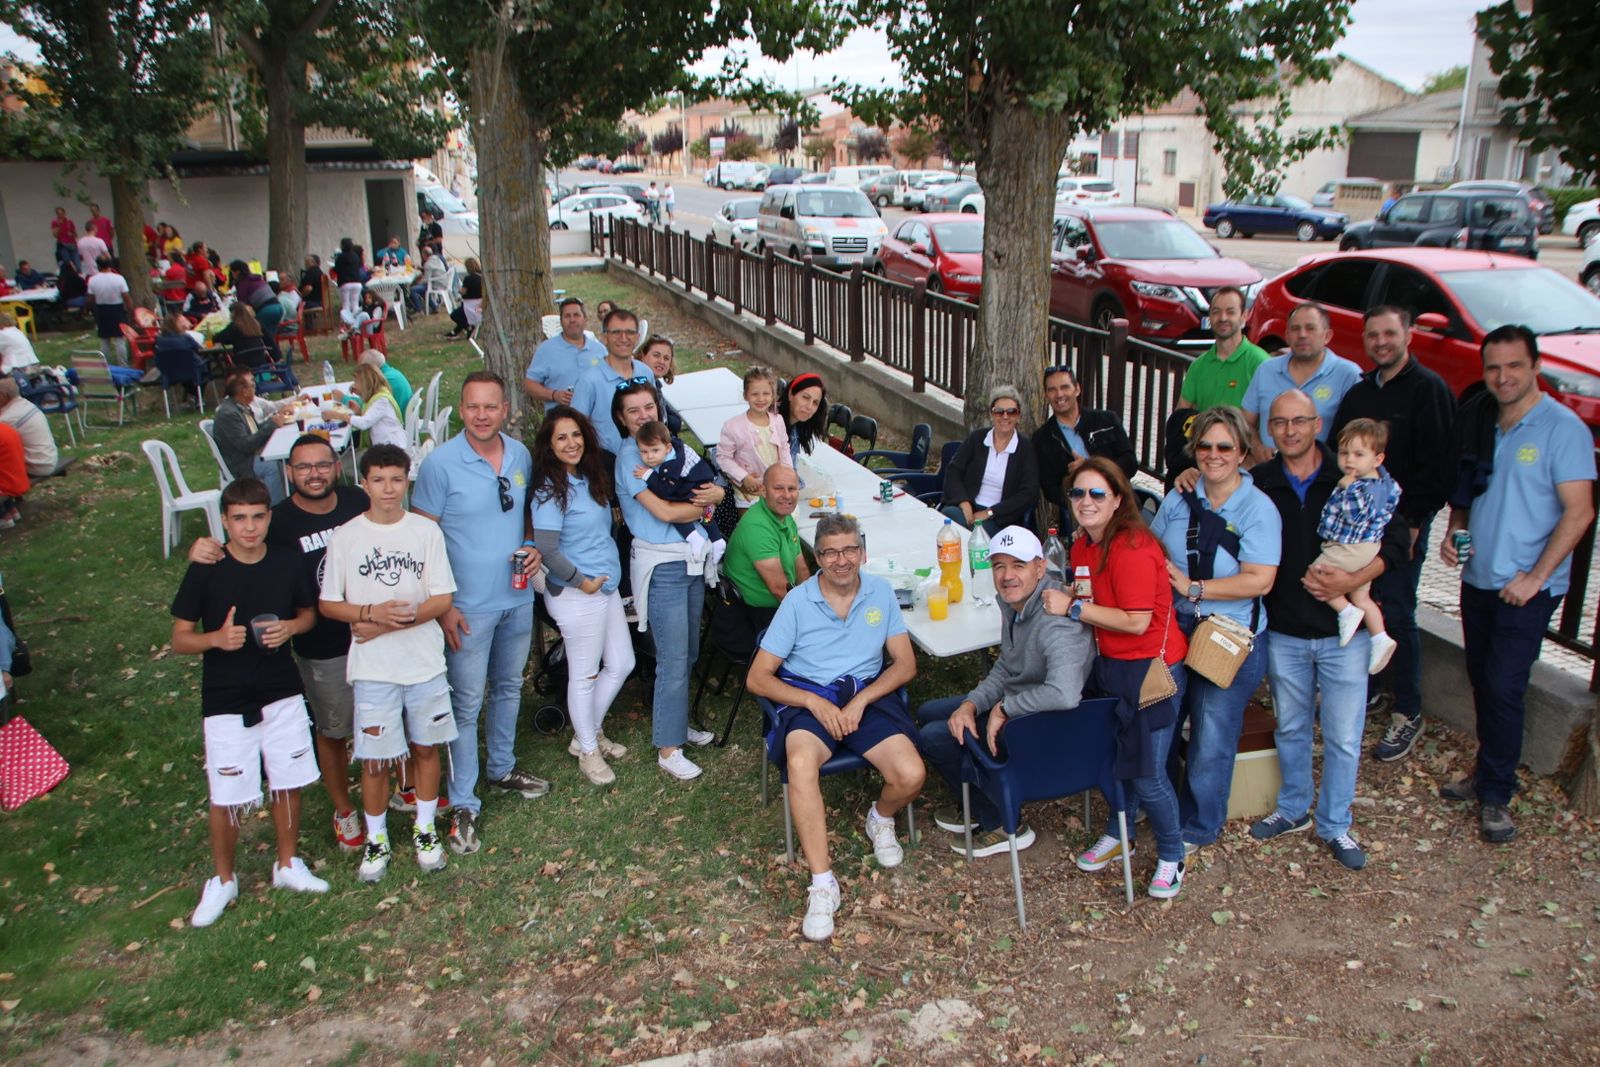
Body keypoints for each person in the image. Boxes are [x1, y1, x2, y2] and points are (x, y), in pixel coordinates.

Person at [1440, 324, 1596, 843]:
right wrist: (1455, 532)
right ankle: (1487, 771)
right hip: (1479, 578)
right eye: (1493, 367)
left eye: (1513, 366)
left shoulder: (1561, 428)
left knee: (1505, 685)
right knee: (1484, 680)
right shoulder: (1482, 418)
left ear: (1534, 367)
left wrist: (1535, 577)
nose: (1502, 377)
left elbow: (1579, 512)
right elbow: (1465, 492)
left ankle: (1496, 796)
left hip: (1525, 588)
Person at [1245, 390, 1410, 871]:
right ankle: (1294, 808)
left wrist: (1356, 578)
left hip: (1346, 635)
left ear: (1317, 424)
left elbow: (1398, 539)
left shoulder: (1354, 476)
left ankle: (1335, 823)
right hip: (1286, 632)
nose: (1290, 430)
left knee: (1341, 736)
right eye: (1279, 422)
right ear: (1269, 430)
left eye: (1300, 421)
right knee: (1292, 729)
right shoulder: (1260, 483)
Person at [186, 435, 372, 855]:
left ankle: (405, 786)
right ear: (289, 473)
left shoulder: (357, 502)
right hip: (322, 645)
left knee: (387, 713)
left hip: (374, 631)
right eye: (304, 467)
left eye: (322, 464)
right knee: (334, 728)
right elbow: (236, 549)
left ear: (336, 467)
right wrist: (201, 548)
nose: (314, 474)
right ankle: (343, 808)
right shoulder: (279, 521)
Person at [745, 513, 923, 942]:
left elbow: (905, 664)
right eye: (830, 552)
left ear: (862, 552)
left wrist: (862, 699)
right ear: (818, 557)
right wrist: (811, 701)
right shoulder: (797, 602)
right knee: (801, 760)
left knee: (912, 774)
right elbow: (758, 678)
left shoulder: (880, 590)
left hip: (864, 695)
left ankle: (880, 817)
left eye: (849, 550)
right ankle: (822, 884)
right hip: (811, 696)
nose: (841, 560)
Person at [169, 477, 327, 927]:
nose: (250, 527)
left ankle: (287, 864)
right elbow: (179, 638)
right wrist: (216, 638)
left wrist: (292, 629)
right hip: (225, 694)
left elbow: (308, 612)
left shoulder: (285, 560)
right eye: (239, 518)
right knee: (226, 793)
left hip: (281, 687)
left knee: (287, 779)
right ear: (224, 521)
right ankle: (223, 879)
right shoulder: (207, 566)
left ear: (268, 517)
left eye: (258, 516)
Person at [412, 372, 548, 856]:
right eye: (473, 407)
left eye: (491, 406)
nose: (482, 415)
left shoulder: (519, 454)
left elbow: (526, 511)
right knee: (466, 702)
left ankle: (502, 766)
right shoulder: (440, 465)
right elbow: (421, 541)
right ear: (463, 409)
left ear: (505, 409)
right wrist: (442, 604)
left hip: (515, 596)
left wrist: (531, 546)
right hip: (466, 607)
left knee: (510, 686)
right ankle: (464, 800)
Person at [1043, 458, 1190, 899]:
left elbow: (1137, 621)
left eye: (1096, 494)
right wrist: (1075, 598)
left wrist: (1072, 608)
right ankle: (1119, 831)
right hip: (1112, 666)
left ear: (1118, 500)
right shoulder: (1085, 546)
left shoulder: (1132, 546)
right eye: (1077, 493)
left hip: (1152, 671)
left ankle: (1172, 852)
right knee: (1116, 761)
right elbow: (1093, 597)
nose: (1085, 502)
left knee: (1147, 771)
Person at [320, 445, 457, 881]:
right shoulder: (346, 536)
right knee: (375, 757)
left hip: (422, 662)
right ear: (363, 484)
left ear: (407, 482)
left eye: (396, 479)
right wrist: (369, 616)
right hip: (374, 668)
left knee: (425, 747)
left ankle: (424, 829)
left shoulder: (424, 532)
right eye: (378, 480)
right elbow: (329, 603)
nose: (388, 489)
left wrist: (390, 624)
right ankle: (377, 838)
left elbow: (442, 598)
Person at [917, 525, 1095, 856]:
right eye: (999, 566)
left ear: (1040, 567)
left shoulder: (1056, 620)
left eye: (1018, 565)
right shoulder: (1013, 603)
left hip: (1048, 723)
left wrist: (1004, 708)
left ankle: (1001, 820)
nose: (1007, 575)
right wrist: (973, 703)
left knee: (934, 736)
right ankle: (976, 795)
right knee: (930, 713)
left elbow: (1065, 694)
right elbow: (1006, 666)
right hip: (1022, 701)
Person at [1328, 305, 1456, 763]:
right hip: (1355, 530)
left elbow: (1439, 464)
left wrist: (1417, 523)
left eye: (1389, 334)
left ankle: (1409, 709)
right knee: (1363, 606)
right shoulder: (1361, 392)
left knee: (1397, 612)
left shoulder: (1429, 391)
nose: (1380, 342)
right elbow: (1337, 452)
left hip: (1401, 529)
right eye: (1372, 335)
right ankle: (1372, 688)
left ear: (1408, 336)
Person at [1150, 407, 1281, 853]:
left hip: (1227, 631)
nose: (1213, 455)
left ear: (1243, 452)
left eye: (1225, 446)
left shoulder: (1258, 509)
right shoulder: (1180, 495)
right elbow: (1153, 548)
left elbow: (1260, 579)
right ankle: (1161, 808)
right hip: (1176, 624)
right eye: (1205, 446)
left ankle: (1199, 826)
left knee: (1211, 731)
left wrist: (1195, 588)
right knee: (1163, 719)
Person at [611, 379, 725, 780]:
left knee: (689, 651)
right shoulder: (632, 459)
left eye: (648, 406)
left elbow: (713, 484)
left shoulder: (671, 446)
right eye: (633, 410)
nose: (643, 415)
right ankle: (668, 747)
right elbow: (665, 512)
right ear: (622, 419)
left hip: (689, 560)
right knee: (673, 658)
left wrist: (718, 495)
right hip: (663, 566)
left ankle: (677, 725)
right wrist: (707, 503)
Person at [530, 407, 636, 786]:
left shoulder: (587, 478)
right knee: (584, 675)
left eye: (576, 435)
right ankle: (589, 750)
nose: (571, 443)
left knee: (622, 663)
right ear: (549, 444)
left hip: (603, 589)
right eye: (561, 437)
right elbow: (548, 548)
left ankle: (586, 734)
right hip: (578, 594)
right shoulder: (549, 489)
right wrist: (581, 581)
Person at [1315, 419, 1400, 673]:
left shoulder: (1360, 486)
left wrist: (1347, 487)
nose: (1349, 460)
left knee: (1317, 572)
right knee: (1363, 597)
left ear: (1378, 459)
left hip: (1351, 548)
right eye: (1344, 453)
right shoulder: (1384, 483)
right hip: (1368, 548)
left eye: (1358, 454)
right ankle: (1380, 637)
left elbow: (1356, 515)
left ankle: (1345, 611)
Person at [1241, 303, 1361, 457]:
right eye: (1295, 329)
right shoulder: (1266, 370)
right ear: (1287, 336)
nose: (1302, 335)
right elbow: (1245, 422)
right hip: (1270, 471)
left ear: (1327, 336)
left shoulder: (1348, 375)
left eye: (1310, 328)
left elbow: (1360, 433)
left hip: (1323, 476)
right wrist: (1257, 446)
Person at [1032, 364, 1137, 524]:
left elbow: (1130, 463)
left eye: (1065, 387)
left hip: (1118, 497)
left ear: (1077, 389)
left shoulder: (1106, 420)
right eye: (1052, 389)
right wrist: (1079, 494)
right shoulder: (1042, 438)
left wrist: (1092, 467)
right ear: (1046, 395)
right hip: (1079, 505)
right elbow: (1050, 489)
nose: (1059, 394)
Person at [942, 385, 1040, 534]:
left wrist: (990, 512)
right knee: (948, 517)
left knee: (976, 534)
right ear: (991, 414)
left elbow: (1028, 493)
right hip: (968, 508)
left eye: (1011, 412)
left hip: (1001, 518)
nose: (1005, 416)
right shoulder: (977, 439)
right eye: (999, 412)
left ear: (1018, 415)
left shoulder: (1025, 448)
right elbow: (954, 471)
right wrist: (964, 502)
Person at [723, 463, 810, 626]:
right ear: (763, 490)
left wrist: (812, 599)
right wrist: (809, 615)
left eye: (792, 489)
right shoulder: (758, 527)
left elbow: (801, 568)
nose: (787, 495)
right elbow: (778, 589)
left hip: (780, 604)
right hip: (755, 615)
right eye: (778, 488)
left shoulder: (785, 517)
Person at [633, 419, 726, 561]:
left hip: (693, 488)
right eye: (643, 452)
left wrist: (649, 475)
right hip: (699, 483)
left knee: (673, 509)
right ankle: (717, 539)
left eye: (655, 450)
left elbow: (665, 491)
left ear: (668, 448)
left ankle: (694, 537)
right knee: (706, 512)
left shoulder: (671, 466)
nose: (650, 456)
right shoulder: (676, 449)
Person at [572, 307, 656, 455]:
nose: (623, 338)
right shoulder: (589, 381)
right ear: (605, 337)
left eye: (629, 332)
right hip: (607, 463)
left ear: (637, 337)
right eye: (616, 332)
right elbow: (575, 428)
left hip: (648, 458)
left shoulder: (645, 372)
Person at [1178, 287, 1270, 413]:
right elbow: (1180, 416)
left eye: (1230, 312)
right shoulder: (1198, 367)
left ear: (1244, 316)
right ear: (1209, 316)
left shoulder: (1260, 363)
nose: (1222, 318)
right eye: (1216, 311)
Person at [213, 367, 295, 497]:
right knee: (272, 467)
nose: (255, 390)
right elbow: (246, 445)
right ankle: (275, 508)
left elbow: (256, 429)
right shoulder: (229, 413)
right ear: (244, 391)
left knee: (290, 458)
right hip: (242, 463)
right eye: (252, 386)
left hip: (251, 455)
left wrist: (276, 418)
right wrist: (272, 425)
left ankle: (293, 495)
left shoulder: (240, 406)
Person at [718, 366, 791, 511]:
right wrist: (744, 477)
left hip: (776, 489)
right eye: (755, 394)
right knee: (752, 530)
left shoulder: (778, 421)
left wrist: (787, 473)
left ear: (773, 395)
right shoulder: (732, 426)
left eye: (766, 394)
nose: (761, 399)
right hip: (749, 493)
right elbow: (723, 457)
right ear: (745, 395)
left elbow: (784, 447)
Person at [525, 296, 605, 411]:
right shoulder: (546, 350)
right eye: (567, 316)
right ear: (561, 321)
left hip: (595, 423)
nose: (572, 320)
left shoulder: (600, 350)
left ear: (585, 319)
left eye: (576, 315)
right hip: (561, 422)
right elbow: (530, 385)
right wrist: (554, 395)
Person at [328, 363, 406, 449]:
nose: (354, 385)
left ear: (365, 383)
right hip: (384, 442)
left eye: (356, 382)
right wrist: (359, 411)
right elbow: (373, 416)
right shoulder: (378, 394)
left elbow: (364, 423)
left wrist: (337, 415)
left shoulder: (382, 400)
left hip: (391, 445)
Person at [0, 379, 57, 479]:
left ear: (4, 396)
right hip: (48, 459)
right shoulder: (26, 405)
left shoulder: (9, 419)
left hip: (36, 466)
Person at [85, 255, 132, 364]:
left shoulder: (93, 280)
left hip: (102, 309)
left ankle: (105, 364)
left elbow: (90, 298)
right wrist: (130, 310)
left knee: (105, 340)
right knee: (120, 340)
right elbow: (126, 297)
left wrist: (88, 308)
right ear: (110, 264)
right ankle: (123, 364)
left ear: (98, 265)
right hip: (117, 308)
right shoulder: (119, 278)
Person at [778, 372, 827, 462]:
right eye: (805, 397)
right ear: (790, 394)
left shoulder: (796, 430)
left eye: (815, 403)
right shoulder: (769, 425)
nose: (809, 406)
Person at [640, 335, 684, 434]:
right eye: (656, 355)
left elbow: (676, 423)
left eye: (666, 358)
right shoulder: (639, 387)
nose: (661, 361)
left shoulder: (656, 385)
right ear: (642, 356)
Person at [215, 302, 271, 369]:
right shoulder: (255, 323)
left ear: (233, 313)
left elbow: (218, 338)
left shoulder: (234, 326)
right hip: (261, 362)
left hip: (243, 362)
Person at [358, 348, 414, 413]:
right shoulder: (392, 373)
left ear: (370, 368)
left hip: (397, 421)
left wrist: (344, 398)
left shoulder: (383, 381)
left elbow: (366, 405)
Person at [444, 257, 482, 341]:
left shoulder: (469, 278)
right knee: (461, 315)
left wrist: (459, 290)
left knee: (454, 315)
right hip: (480, 305)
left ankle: (468, 327)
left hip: (470, 305)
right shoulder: (482, 277)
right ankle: (454, 332)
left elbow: (463, 292)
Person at [332, 237, 366, 320]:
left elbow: (336, 269)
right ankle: (357, 320)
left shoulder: (341, 257)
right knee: (355, 304)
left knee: (346, 304)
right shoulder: (355, 256)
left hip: (345, 283)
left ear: (342, 246)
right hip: (357, 283)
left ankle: (346, 321)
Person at [409, 243, 448, 313]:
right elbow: (432, 270)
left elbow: (426, 280)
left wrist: (417, 283)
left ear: (424, 255)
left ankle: (419, 310)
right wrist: (420, 268)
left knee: (413, 289)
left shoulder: (428, 264)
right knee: (422, 289)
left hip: (436, 284)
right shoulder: (437, 259)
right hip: (443, 282)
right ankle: (434, 307)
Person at [0, 422, 26, 526]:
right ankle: (11, 509)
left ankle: (3, 516)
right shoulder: (5, 427)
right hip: (19, 478)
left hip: (7, 485)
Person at [50, 207, 79, 272]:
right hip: (62, 245)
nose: (60, 215)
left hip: (72, 244)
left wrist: (71, 235)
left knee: (77, 264)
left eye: (61, 213)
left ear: (64, 213)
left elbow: (75, 234)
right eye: (58, 214)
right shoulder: (55, 222)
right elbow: (55, 235)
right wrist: (59, 226)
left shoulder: (69, 222)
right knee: (68, 264)